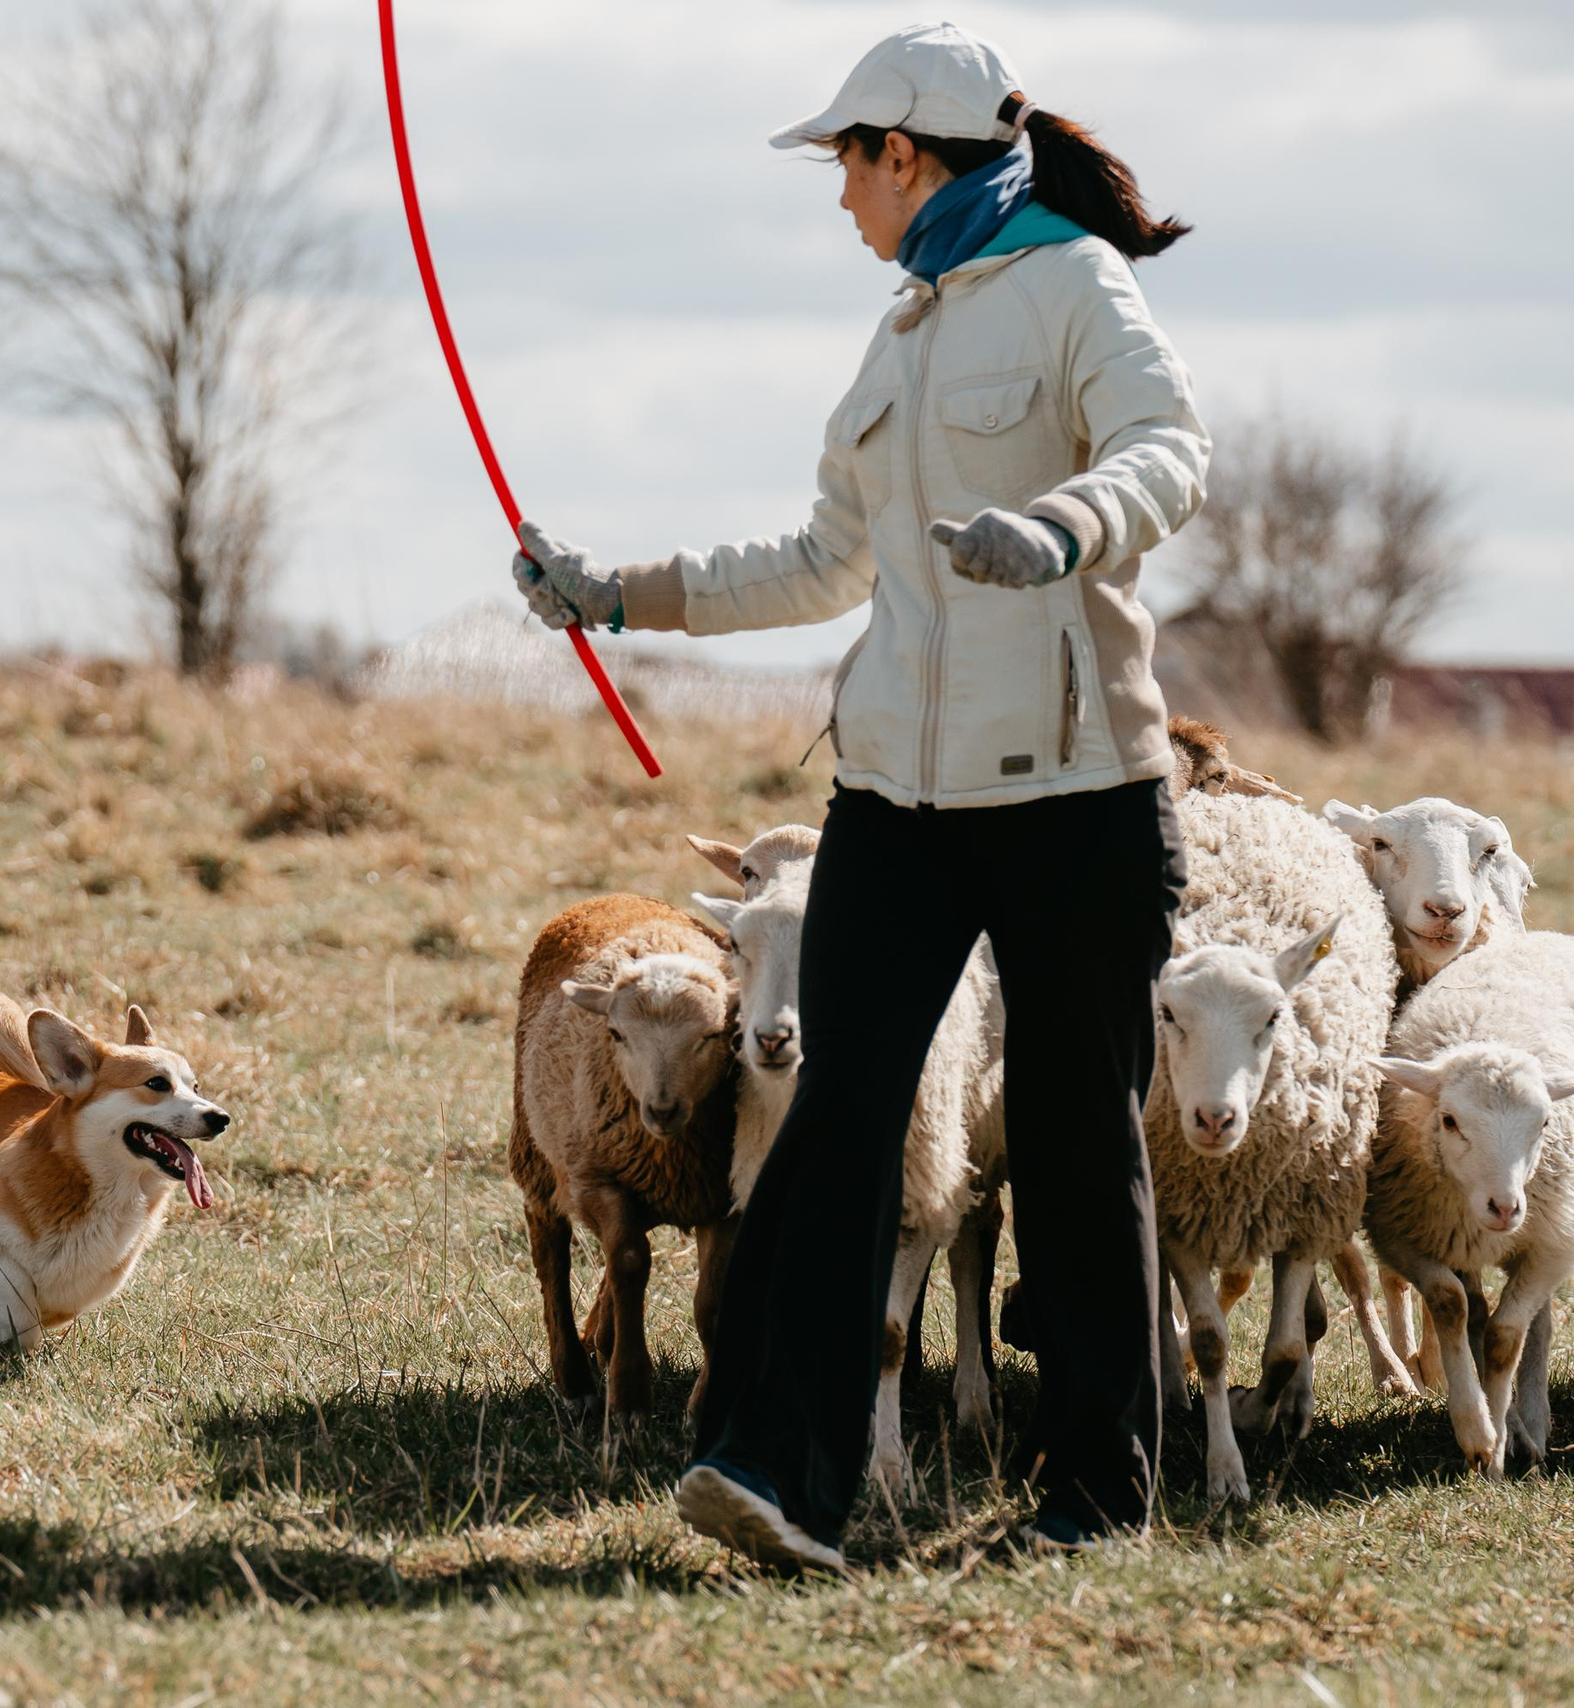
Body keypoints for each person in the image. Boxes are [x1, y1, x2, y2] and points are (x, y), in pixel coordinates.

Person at [510, 22, 1207, 1568]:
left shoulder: (1080, 283)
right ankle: (781, 1473)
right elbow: (821, 561)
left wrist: (1067, 526)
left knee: (1078, 1141)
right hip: (895, 798)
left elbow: (1172, 451)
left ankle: (1096, 1504)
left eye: (845, 164)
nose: (837, 198)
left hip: (1082, 793)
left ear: (907, 155)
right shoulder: (897, 337)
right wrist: (612, 592)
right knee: (834, 1115)